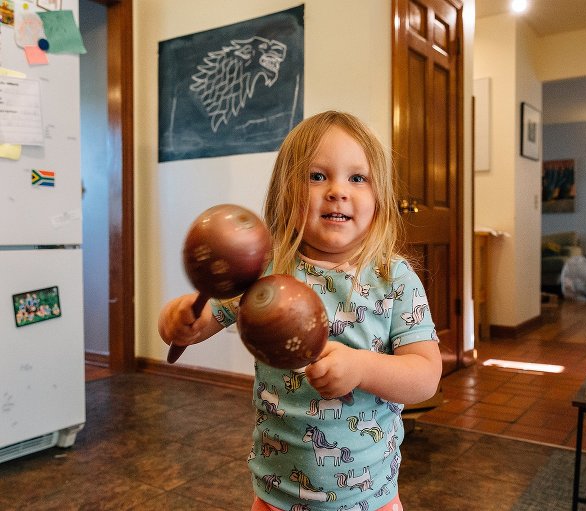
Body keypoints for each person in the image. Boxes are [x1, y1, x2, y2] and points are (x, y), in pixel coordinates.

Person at [158, 111, 442, 511]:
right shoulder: (267, 270)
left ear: (379, 198)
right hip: (277, 493)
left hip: (368, 498)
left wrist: (362, 368)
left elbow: (426, 376)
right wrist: (179, 319)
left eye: (357, 178)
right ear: (284, 192)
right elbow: (202, 320)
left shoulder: (393, 279)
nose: (337, 191)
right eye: (317, 176)